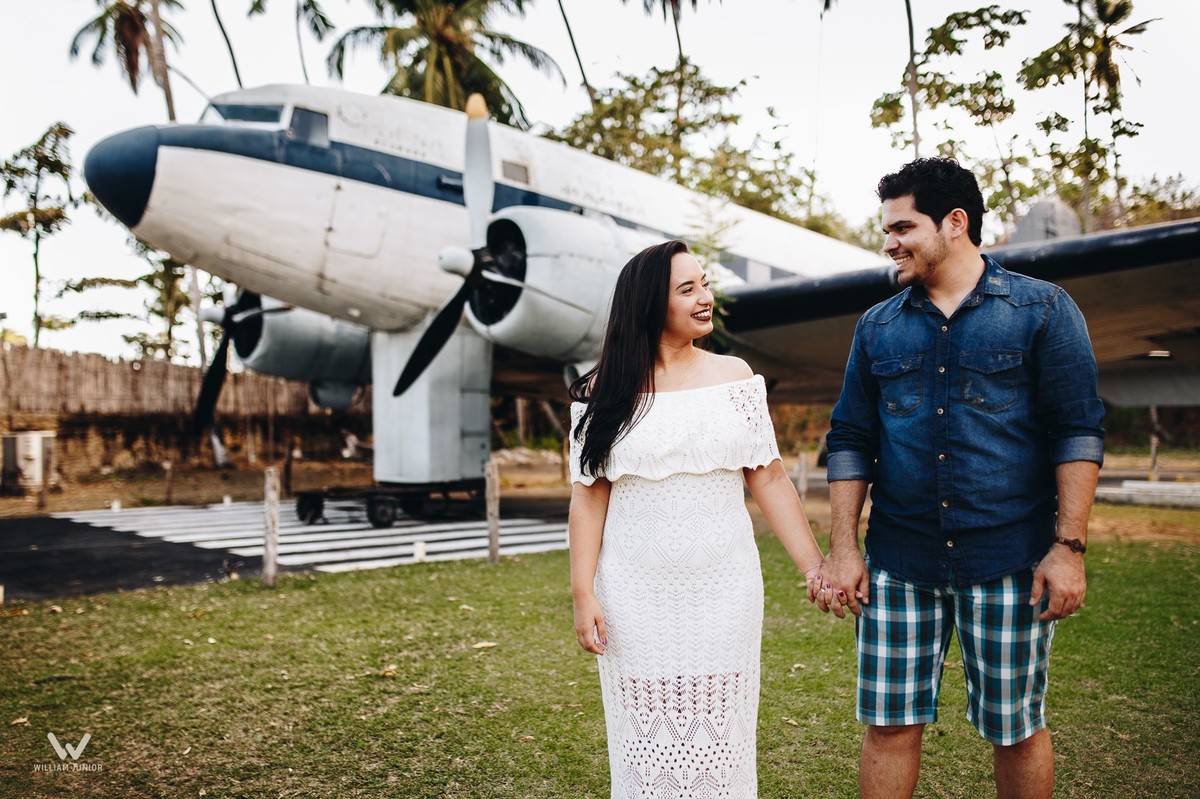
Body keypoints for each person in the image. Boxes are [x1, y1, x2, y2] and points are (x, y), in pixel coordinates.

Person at [817, 157, 1105, 799]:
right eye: (886, 229)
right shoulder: (877, 327)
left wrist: (1070, 549)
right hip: (898, 561)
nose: (889, 243)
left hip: (1008, 560)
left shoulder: (1043, 309)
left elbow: (1078, 433)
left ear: (955, 222)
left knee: (1016, 729)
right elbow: (851, 440)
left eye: (902, 227)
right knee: (888, 726)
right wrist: (843, 549)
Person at [568, 240, 825, 798]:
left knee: (721, 733)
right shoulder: (602, 393)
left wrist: (814, 568)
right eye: (688, 289)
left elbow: (770, 477)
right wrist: (582, 593)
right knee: (643, 734)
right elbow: (588, 497)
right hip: (633, 595)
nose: (705, 298)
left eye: (704, 284)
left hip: (723, 591)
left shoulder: (734, 377)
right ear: (647, 306)